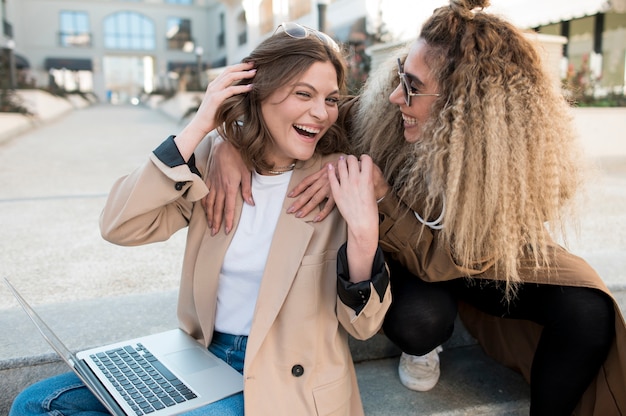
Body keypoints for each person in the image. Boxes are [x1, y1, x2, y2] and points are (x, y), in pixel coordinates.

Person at [202, 2, 626, 415]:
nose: (393, 95)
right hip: (410, 256)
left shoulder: (521, 157)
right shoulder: (386, 114)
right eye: (402, 74)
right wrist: (232, 139)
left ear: (467, 106)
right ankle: (427, 346)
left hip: (485, 260)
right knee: (419, 321)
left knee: (588, 313)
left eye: (413, 87)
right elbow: (307, 119)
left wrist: (382, 192)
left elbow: (456, 259)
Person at [9, 22, 391, 416]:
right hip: (200, 358)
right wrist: (203, 126)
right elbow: (119, 226)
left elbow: (364, 326)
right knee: (36, 404)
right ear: (257, 93)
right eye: (303, 93)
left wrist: (364, 236)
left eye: (330, 99)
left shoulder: (338, 179)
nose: (320, 112)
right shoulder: (212, 159)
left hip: (287, 381)